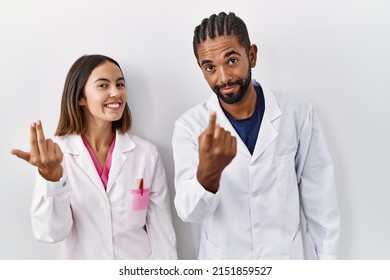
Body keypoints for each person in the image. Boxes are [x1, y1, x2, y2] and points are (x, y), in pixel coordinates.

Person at [172, 12, 340, 260]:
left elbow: (321, 203)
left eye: (231, 61)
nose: (223, 78)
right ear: (201, 68)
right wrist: (207, 174)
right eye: (210, 67)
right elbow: (190, 213)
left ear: (251, 55)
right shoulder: (189, 126)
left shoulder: (297, 112)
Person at [11, 54, 177, 259]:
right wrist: (50, 176)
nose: (116, 92)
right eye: (103, 86)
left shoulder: (146, 154)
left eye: (120, 84)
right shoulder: (55, 155)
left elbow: (162, 233)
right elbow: (50, 233)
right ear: (81, 97)